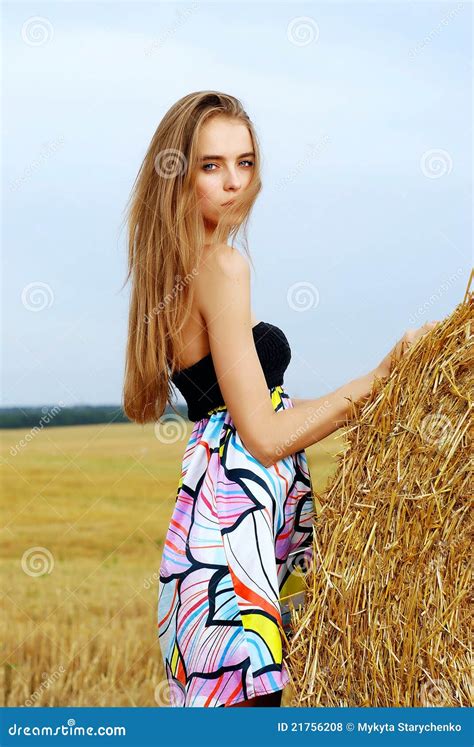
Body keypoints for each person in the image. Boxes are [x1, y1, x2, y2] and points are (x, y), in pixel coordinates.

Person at [122, 91, 438, 707]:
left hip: (208, 546)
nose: (234, 182)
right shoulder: (222, 267)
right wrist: (383, 375)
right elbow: (263, 437)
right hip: (232, 567)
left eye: (245, 162)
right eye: (211, 165)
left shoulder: (171, 269)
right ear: (177, 171)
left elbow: (249, 415)